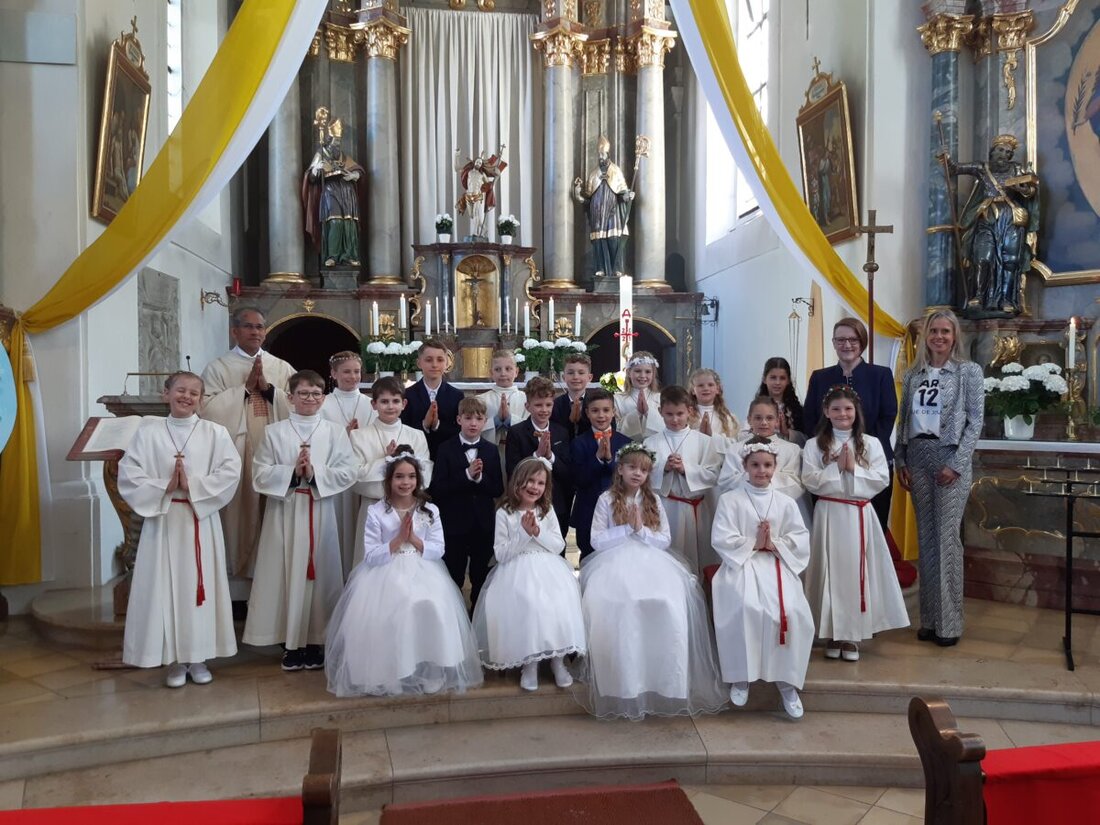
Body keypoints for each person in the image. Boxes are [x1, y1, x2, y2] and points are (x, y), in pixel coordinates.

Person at [576, 443, 727, 720]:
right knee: (621, 603)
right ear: (620, 469)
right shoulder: (605, 499)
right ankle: (624, 682)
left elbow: (664, 539)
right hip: (614, 562)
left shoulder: (654, 500)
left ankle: (663, 679)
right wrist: (626, 529)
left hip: (651, 560)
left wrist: (641, 531)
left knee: (669, 601)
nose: (637, 473)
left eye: (643, 470)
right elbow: (596, 540)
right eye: (632, 467)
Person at [325, 449, 483, 697]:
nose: (405, 482)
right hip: (385, 570)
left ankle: (431, 668)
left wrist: (414, 540)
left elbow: (438, 550)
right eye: (399, 476)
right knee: (394, 609)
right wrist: (398, 540)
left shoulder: (429, 510)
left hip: (423, 570)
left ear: (418, 480)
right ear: (389, 480)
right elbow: (371, 555)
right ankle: (391, 671)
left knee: (430, 604)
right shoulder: (377, 512)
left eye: (411, 476)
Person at [118, 372, 241, 687]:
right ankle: (173, 661)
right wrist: (165, 485)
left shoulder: (214, 433)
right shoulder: (148, 433)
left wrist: (193, 485)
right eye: (180, 391)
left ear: (201, 398)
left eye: (194, 393)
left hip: (200, 520)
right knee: (164, 590)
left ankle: (198, 657)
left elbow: (230, 471)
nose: (187, 397)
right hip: (163, 522)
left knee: (199, 591)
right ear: (166, 393)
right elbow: (129, 474)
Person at [243, 370, 358, 672]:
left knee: (322, 576)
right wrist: (292, 473)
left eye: (316, 394)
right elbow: (259, 472)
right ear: (290, 397)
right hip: (285, 510)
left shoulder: (334, 432)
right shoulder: (275, 432)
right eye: (303, 393)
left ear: (324, 397)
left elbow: (348, 470)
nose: (310, 399)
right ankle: (289, 644)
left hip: (320, 511)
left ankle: (317, 641)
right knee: (284, 575)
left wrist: (315, 472)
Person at [896, 309, 984, 647]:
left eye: (946, 331)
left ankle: (949, 624)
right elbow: (904, 420)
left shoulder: (968, 373)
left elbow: (975, 422)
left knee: (947, 539)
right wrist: (901, 459)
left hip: (950, 460)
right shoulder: (913, 374)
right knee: (927, 540)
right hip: (918, 459)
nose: (939, 337)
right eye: (934, 330)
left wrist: (958, 463)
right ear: (925, 335)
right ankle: (930, 620)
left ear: (954, 336)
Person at [802, 385, 909, 662]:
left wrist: (853, 469)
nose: (842, 414)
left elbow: (881, 480)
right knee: (830, 574)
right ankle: (832, 633)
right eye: (836, 409)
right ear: (826, 411)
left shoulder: (871, 443)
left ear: (856, 412)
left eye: (847, 408)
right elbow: (810, 481)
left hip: (858, 514)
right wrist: (834, 467)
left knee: (854, 574)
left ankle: (851, 636)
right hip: (829, 514)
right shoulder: (814, 445)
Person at [711, 438, 813, 719]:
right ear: (744, 466)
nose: (761, 471)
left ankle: (787, 682)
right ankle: (741, 676)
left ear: (775, 467)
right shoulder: (730, 500)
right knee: (746, 607)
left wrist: (774, 544)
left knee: (792, 612)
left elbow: (799, 538)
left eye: (767, 465)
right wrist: (754, 543)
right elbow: (721, 537)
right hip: (741, 566)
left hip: (777, 565)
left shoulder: (785, 502)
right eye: (755, 465)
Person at [473, 458, 586, 691]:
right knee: (529, 603)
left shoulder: (547, 510)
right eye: (530, 481)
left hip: (549, 567)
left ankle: (558, 661)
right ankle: (530, 663)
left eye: (541, 483)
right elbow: (501, 554)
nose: (535, 487)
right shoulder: (505, 512)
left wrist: (536, 532)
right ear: (517, 482)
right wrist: (524, 534)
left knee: (559, 600)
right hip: (516, 568)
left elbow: (556, 545)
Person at [200, 307, 295, 577]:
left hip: (276, 450)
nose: (256, 332)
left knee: (274, 513)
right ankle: (239, 582)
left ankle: (273, 578)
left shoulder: (280, 367)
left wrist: (268, 390)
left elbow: (299, 402)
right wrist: (243, 389)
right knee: (240, 513)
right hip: (238, 448)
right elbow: (206, 409)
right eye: (249, 326)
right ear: (235, 331)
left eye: (260, 327)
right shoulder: (218, 367)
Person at [804, 318, 897, 538]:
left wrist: (862, 452)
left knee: (871, 533)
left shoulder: (881, 375)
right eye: (841, 339)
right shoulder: (820, 377)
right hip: (828, 461)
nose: (847, 345)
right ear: (834, 342)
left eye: (853, 339)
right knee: (832, 534)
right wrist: (829, 452)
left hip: (869, 461)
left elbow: (888, 416)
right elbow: (810, 418)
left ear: (862, 342)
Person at [427, 396, 505, 609]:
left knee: (481, 576)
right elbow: (437, 489)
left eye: (478, 418)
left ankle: (477, 618)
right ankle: (454, 617)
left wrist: (479, 478)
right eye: (468, 418)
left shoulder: (490, 450)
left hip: (483, 524)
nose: (473, 423)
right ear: (458, 419)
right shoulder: (445, 449)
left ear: (485, 421)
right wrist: (466, 475)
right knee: (453, 575)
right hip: (454, 524)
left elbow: (497, 488)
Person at [348, 377, 432, 573]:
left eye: (395, 401)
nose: (390, 406)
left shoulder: (416, 435)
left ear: (404, 404)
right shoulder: (359, 436)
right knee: (372, 567)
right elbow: (354, 476)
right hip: (374, 507)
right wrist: (385, 460)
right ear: (374, 404)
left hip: (409, 509)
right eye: (384, 401)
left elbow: (425, 476)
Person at [950, 134, 1039, 315]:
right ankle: (978, 297)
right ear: (992, 151)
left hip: (1011, 219)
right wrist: (945, 158)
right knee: (983, 257)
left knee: (1011, 261)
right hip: (987, 216)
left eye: (1008, 152)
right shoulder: (982, 168)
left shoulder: (1017, 169)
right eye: (1001, 150)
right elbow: (955, 168)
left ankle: (1007, 299)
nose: (1004, 155)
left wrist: (1022, 189)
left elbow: (1030, 190)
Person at [643, 386, 722, 574]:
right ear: (661, 412)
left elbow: (713, 474)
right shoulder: (650, 442)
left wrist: (686, 469)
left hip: (697, 510)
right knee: (670, 561)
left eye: (680, 413)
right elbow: (643, 476)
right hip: (667, 508)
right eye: (669, 414)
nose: (675, 419)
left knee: (700, 563)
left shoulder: (704, 441)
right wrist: (664, 467)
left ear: (690, 411)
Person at [320, 351, 375, 576]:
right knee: (340, 528)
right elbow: (317, 439)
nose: (353, 377)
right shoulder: (323, 404)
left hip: (364, 473)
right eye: (346, 372)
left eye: (356, 371)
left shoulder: (370, 403)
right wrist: (344, 436)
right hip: (336, 475)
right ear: (334, 374)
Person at [717, 397, 810, 527]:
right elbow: (725, 481)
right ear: (749, 419)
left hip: (779, 513)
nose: (764, 423)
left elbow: (795, 484)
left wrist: (760, 481)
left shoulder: (791, 449)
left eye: (769, 418)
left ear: (778, 420)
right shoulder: (735, 449)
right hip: (744, 512)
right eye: (758, 418)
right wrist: (754, 480)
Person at [505, 377, 571, 540]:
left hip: (556, 504)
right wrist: (536, 456)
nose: (544, 410)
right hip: (526, 504)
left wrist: (550, 456)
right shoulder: (516, 433)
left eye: (548, 405)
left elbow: (568, 472)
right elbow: (512, 471)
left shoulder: (562, 432)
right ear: (527, 406)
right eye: (538, 405)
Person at [569, 388, 631, 560]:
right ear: (587, 413)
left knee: (620, 556)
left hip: (619, 510)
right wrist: (597, 459)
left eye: (606, 410)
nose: (601, 415)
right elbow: (578, 479)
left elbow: (631, 479)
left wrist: (611, 461)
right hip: (588, 509)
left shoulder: (626, 443)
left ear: (613, 412)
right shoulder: (578, 443)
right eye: (595, 411)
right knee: (589, 555)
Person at [302, 110, 363, 267]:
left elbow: (357, 169)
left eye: (339, 140)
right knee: (335, 221)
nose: (338, 143)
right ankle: (333, 256)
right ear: (330, 137)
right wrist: (317, 169)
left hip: (346, 191)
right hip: (330, 191)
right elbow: (311, 177)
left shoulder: (342, 155)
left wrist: (354, 176)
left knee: (349, 222)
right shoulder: (321, 154)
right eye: (336, 139)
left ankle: (349, 255)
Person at [573, 135, 635, 278]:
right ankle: (600, 268)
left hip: (613, 212)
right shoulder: (593, 174)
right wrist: (578, 196)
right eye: (599, 154)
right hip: (597, 215)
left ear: (608, 154)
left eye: (603, 154)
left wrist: (628, 196)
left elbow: (623, 193)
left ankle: (617, 269)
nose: (601, 157)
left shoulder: (616, 171)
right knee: (599, 241)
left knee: (614, 239)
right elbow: (588, 200)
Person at [401, 339, 463, 461]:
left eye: (440, 360)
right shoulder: (407, 395)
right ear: (419, 363)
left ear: (446, 363)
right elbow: (403, 429)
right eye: (428, 360)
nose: (434, 365)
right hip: (415, 457)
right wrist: (424, 424)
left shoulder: (456, 396)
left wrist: (437, 425)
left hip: (447, 458)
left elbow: (459, 431)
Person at [478, 349, 528, 453]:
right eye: (497, 369)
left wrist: (509, 420)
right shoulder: (480, 400)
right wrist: (496, 420)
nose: (503, 373)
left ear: (516, 372)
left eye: (508, 369)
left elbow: (529, 427)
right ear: (491, 373)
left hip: (518, 452)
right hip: (491, 452)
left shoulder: (526, 398)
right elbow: (475, 427)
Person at [454, 144, 507, 239]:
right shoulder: (469, 172)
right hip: (468, 196)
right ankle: (484, 229)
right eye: (477, 162)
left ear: (481, 165)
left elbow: (490, 185)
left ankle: (475, 233)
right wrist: (457, 155)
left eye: (480, 163)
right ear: (474, 162)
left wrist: (497, 176)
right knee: (472, 216)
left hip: (478, 196)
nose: (478, 164)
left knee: (476, 214)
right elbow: (457, 168)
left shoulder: (482, 175)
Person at [688, 368, 740, 455]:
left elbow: (735, 445)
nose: (706, 388)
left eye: (710, 385)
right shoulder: (686, 416)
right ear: (693, 390)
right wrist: (698, 434)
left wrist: (712, 436)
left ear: (717, 389)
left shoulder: (729, 418)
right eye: (700, 385)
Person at [614, 351, 662, 441]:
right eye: (638, 371)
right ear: (628, 372)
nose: (642, 376)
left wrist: (648, 413)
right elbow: (616, 428)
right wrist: (637, 414)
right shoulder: (617, 399)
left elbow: (667, 426)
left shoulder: (660, 398)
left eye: (648, 372)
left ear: (653, 374)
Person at [757, 358, 805, 446]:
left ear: (788, 381)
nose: (777, 382)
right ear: (764, 379)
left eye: (782, 378)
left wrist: (787, 432)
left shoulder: (796, 410)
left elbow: (805, 440)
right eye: (773, 378)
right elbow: (745, 436)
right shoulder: (756, 407)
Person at [551, 352, 594, 442]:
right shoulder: (555, 405)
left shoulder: (596, 403)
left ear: (589, 377)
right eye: (570, 373)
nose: (575, 377)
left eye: (581, 373)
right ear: (563, 377)